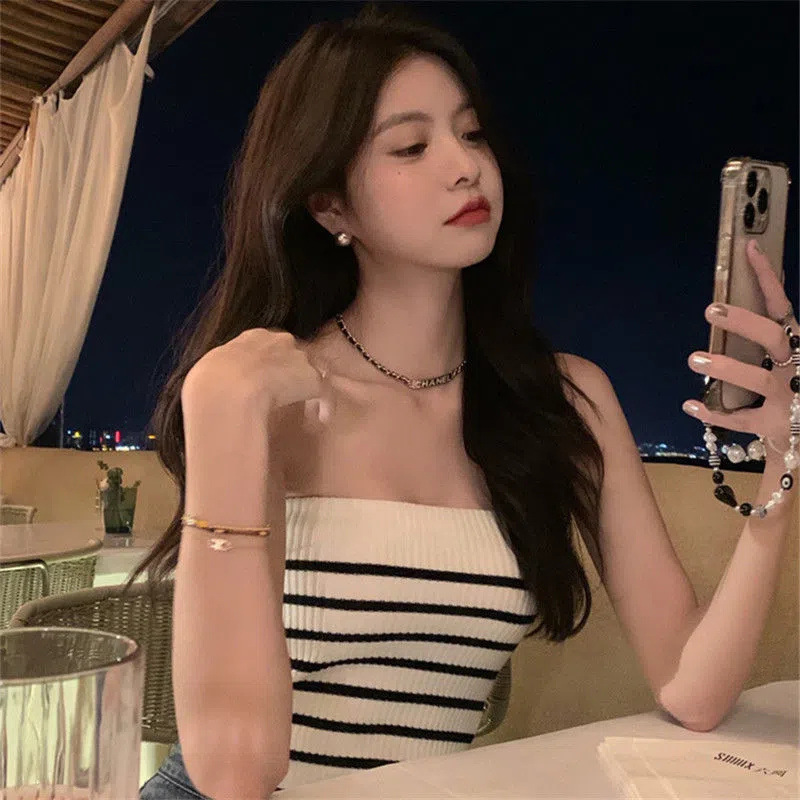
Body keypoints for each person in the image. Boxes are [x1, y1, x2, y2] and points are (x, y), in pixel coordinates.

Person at [133, 4, 798, 798]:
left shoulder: (564, 399)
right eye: (411, 146)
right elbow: (234, 773)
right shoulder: (268, 394)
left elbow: (694, 691)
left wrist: (783, 465)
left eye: (472, 133)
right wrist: (219, 412)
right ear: (331, 206)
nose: (465, 166)